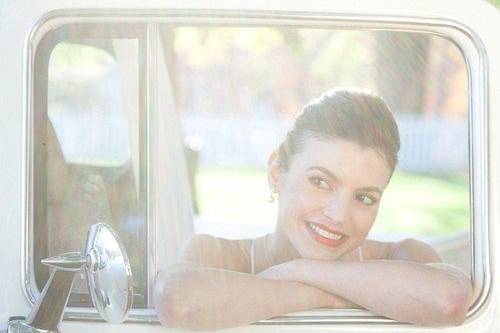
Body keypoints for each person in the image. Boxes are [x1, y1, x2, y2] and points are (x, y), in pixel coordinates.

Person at [153, 89, 473, 331]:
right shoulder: (216, 255)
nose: (338, 214)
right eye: (320, 181)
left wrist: (298, 271)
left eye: (364, 198)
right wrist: (330, 296)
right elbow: (178, 303)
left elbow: (449, 301)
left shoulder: (402, 257)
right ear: (277, 171)